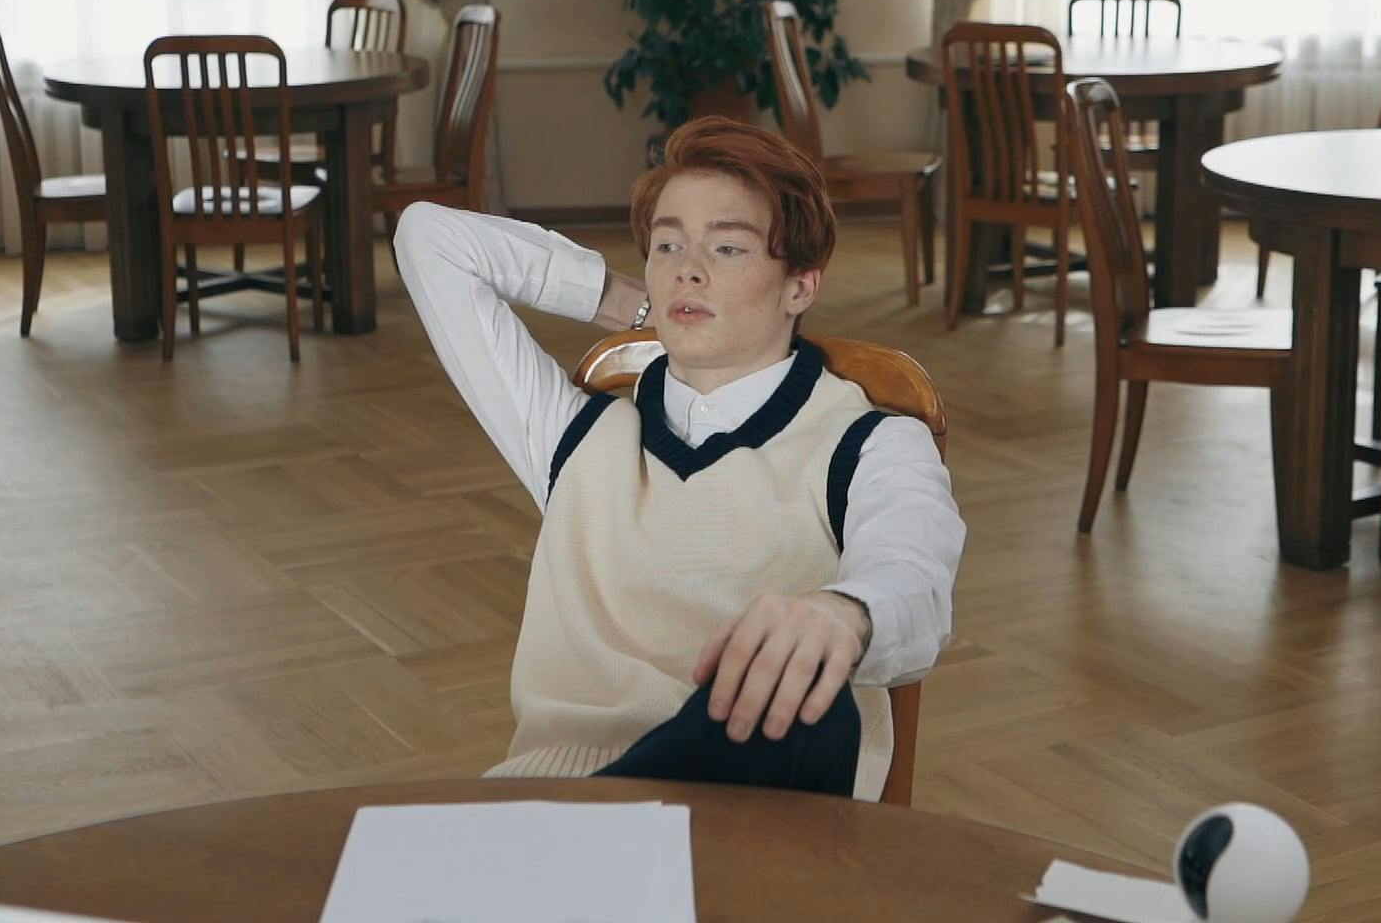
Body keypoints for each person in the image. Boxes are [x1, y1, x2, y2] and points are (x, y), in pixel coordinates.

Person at [394, 116, 964, 801]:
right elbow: (428, 236)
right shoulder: (572, 437)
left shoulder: (870, 442)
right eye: (667, 245)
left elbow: (917, 584)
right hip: (565, 797)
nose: (687, 270)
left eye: (727, 248)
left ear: (800, 286)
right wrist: (630, 305)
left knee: (801, 694)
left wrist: (844, 614)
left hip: (751, 815)